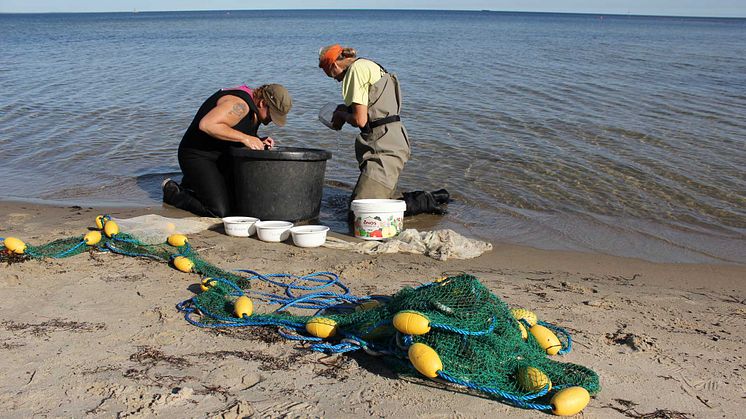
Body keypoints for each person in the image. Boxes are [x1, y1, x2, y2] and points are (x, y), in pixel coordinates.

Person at [317, 44, 448, 216]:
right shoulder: (368, 65)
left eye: (334, 76)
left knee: (360, 213)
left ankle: (425, 201)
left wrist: (342, 115)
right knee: (374, 202)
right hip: (392, 139)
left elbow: (360, 119)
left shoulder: (355, 71)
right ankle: (436, 197)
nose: (337, 80)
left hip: (384, 147)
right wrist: (346, 110)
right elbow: (375, 110)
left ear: (334, 65)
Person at [162, 83, 292, 217]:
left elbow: (234, 129)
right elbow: (207, 125)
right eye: (272, 114)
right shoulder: (239, 105)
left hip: (220, 156)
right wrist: (246, 138)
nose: (272, 120)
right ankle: (173, 193)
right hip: (196, 156)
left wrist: (257, 139)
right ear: (263, 103)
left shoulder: (254, 108)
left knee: (239, 203)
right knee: (219, 211)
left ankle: (191, 185)